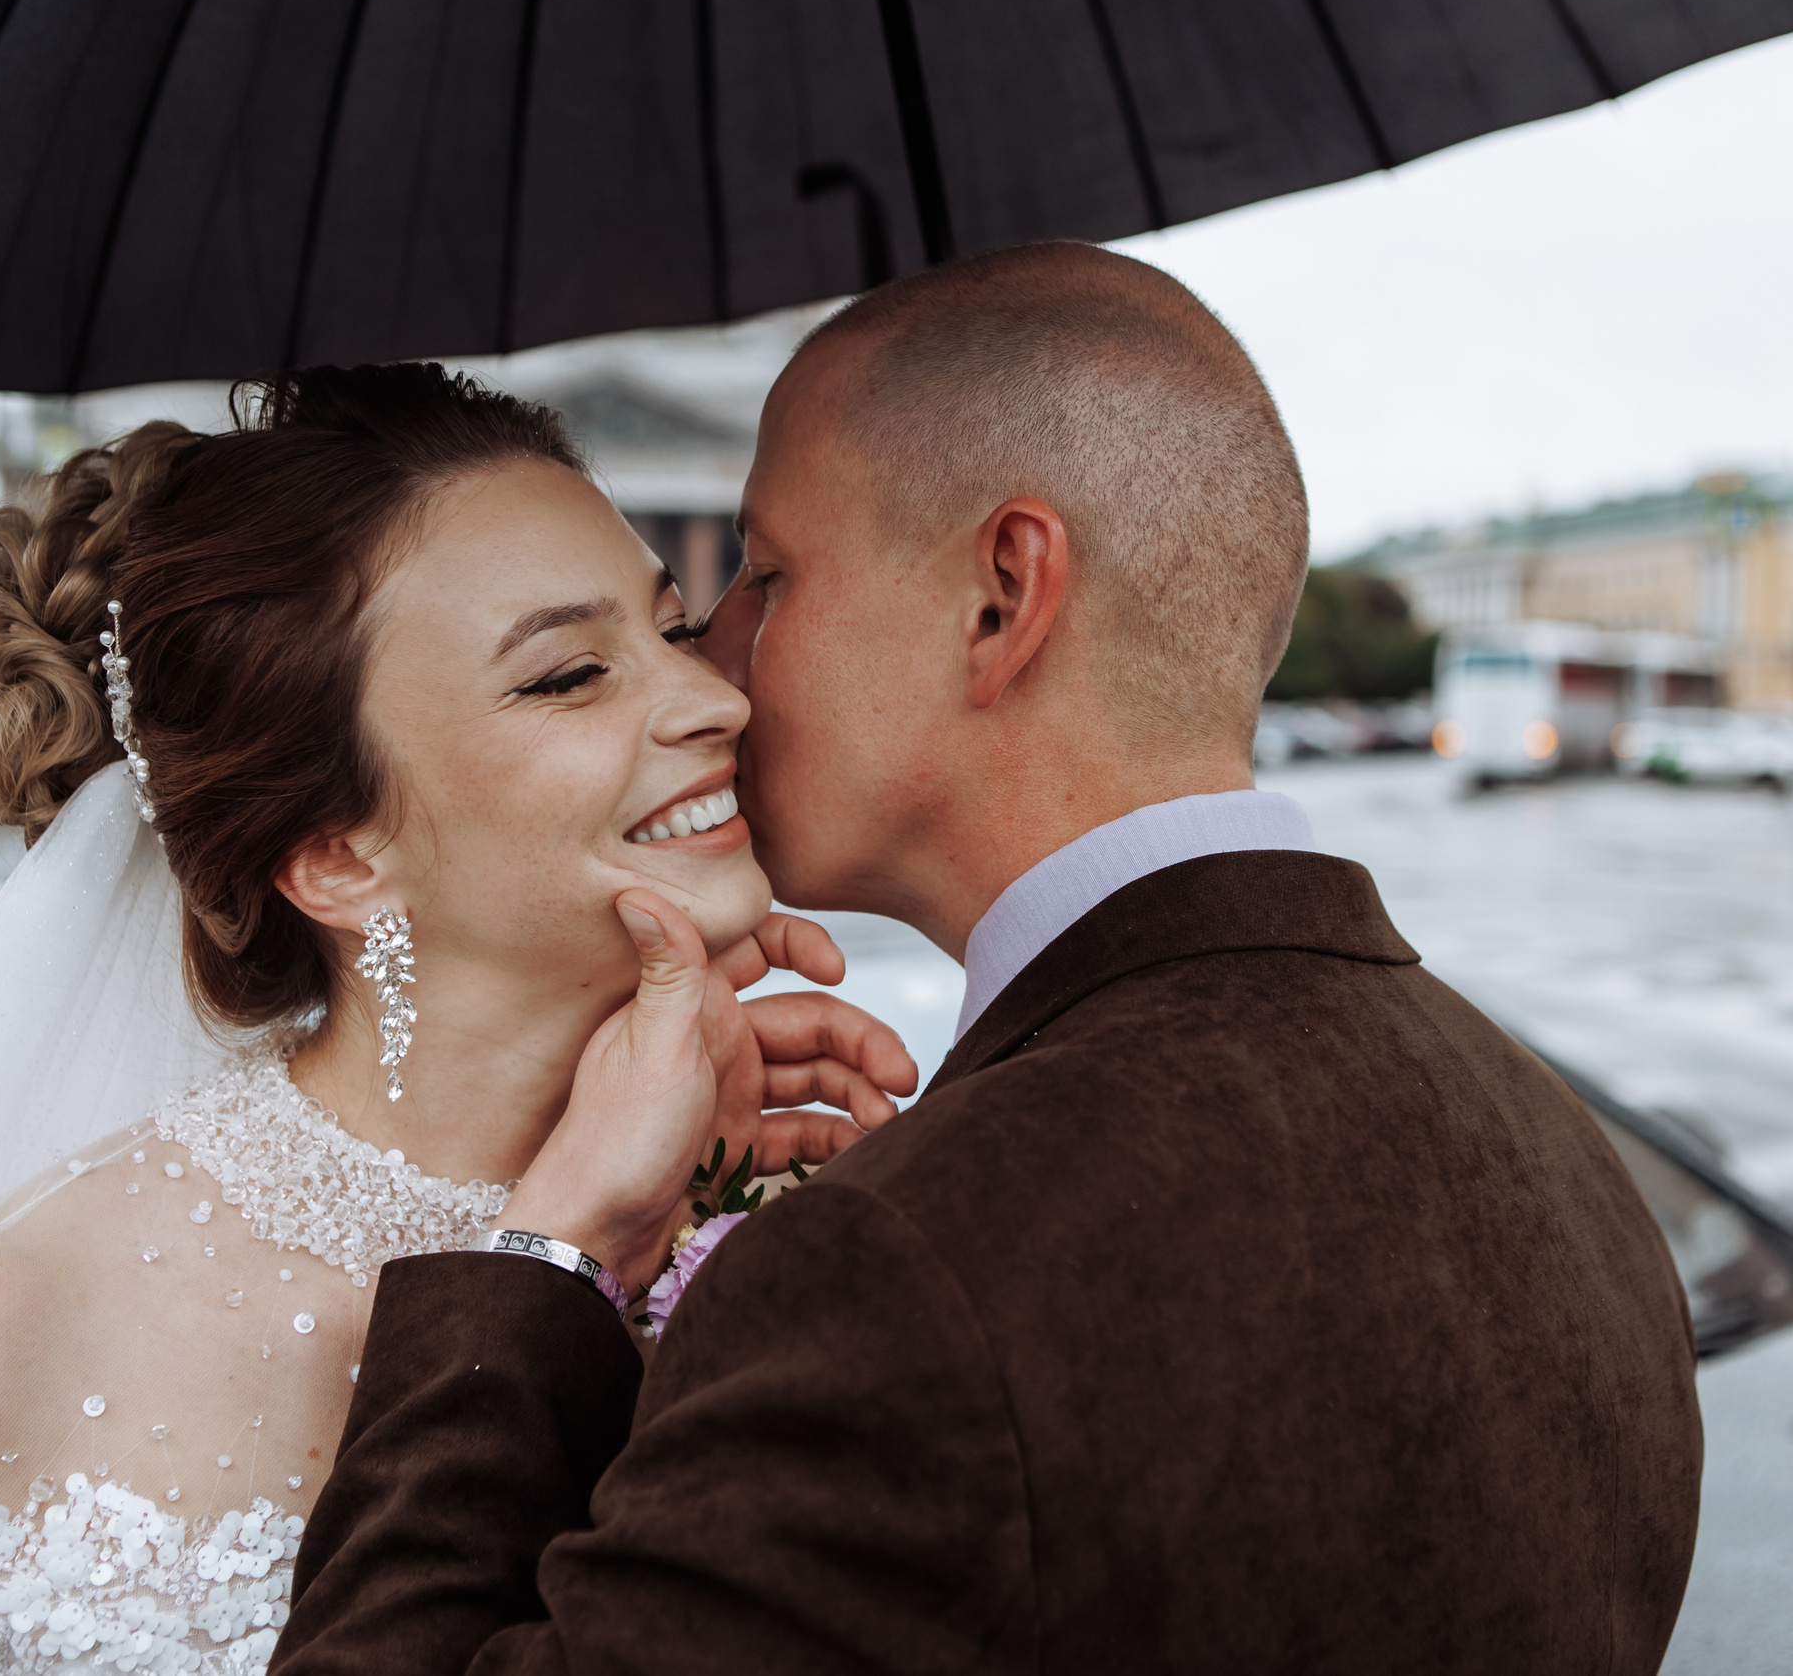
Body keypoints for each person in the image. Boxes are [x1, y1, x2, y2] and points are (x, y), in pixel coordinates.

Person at [273, 244, 1704, 1673]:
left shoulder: (906, 1277)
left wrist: (555, 1251)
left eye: (767, 573)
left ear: (1002, 595)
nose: (717, 657)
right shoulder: (1577, 1171)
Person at [0, 364, 912, 1675]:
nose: (716, 696)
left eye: (679, 623)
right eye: (572, 673)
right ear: (336, 855)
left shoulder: (788, 1217)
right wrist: (559, 1253)